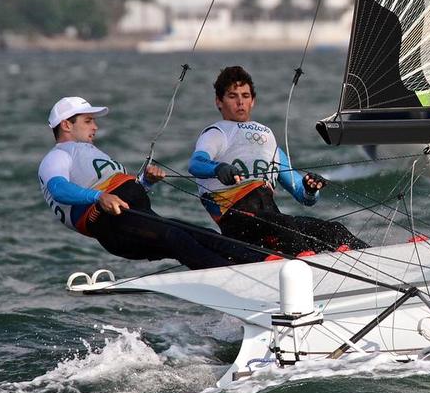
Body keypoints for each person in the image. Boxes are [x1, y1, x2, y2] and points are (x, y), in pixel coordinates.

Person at [38, 96, 262, 269]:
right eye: (88, 121)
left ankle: (264, 262)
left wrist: (145, 182)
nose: (95, 127)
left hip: (133, 217)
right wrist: (99, 197)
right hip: (113, 225)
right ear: (66, 125)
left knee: (201, 235)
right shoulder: (56, 157)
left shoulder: (87, 153)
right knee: (178, 238)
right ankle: (243, 281)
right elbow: (58, 188)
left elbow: (120, 193)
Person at [188, 66, 368, 255]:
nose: (240, 102)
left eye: (245, 95)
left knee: (333, 230)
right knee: (284, 227)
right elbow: (196, 163)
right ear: (219, 101)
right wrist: (218, 168)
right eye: (232, 96)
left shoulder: (267, 139)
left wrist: (310, 189)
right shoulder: (217, 133)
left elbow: (302, 195)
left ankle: (379, 260)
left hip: (274, 220)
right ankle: (308, 270)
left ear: (253, 101)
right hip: (237, 223)